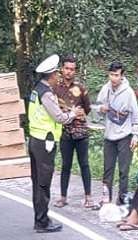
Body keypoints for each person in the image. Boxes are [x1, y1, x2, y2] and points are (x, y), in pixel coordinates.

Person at [28, 54, 84, 233]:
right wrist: (73, 113)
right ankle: (42, 222)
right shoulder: (46, 94)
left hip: (35, 139)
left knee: (38, 181)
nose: (58, 77)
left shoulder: (36, 89)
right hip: (46, 142)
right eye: (56, 74)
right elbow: (59, 118)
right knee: (43, 183)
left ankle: (41, 217)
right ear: (51, 75)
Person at [96, 61, 138, 207]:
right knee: (107, 169)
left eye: (116, 75)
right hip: (109, 135)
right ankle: (106, 199)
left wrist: (136, 135)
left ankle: (122, 199)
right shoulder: (106, 89)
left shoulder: (128, 93)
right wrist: (100, 109)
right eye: (111, 75)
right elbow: (96, 108)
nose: (113, 78)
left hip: (125, 135)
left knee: (124, 170)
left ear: (122, 76)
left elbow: (136, 115)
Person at [53, 55, 94, 209]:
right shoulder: (55, 88)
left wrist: (79, 114)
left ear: (75, 71)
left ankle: (88, 197)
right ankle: (63, 197)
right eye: (67, 68)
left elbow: (87, 108)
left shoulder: (81, 88)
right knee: (66, 165)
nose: (69, 72)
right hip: (65, 132)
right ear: (62, 69)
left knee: (84, 164)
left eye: (72, 69)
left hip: (81, 132)